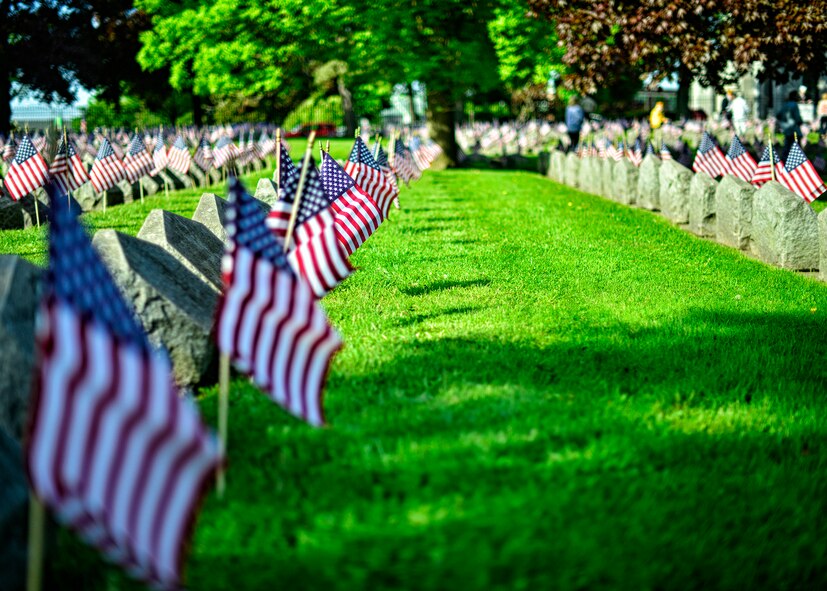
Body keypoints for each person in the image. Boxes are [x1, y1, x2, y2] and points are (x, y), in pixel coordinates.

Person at [777, 90, 803, 162]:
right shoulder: (794, 105)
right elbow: (798, 118)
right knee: (797, 148)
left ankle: (784, 162)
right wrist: (800, 122)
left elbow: (778, 115)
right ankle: (797, 162)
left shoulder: (785, 105)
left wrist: (784, 123)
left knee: (787, 148)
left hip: (787, 130)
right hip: (794, 130)